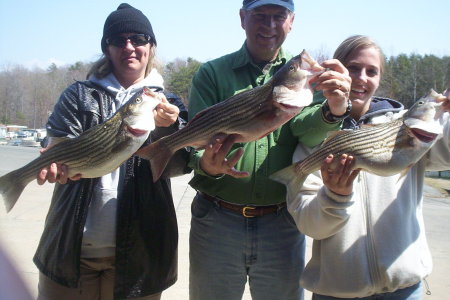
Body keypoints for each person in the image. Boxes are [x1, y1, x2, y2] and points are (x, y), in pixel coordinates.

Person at [187, 1, 351, 299]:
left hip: (281, 223)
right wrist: (208, 164)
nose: (270, 25)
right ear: (242, 18)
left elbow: (306, 128)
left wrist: (334, 110)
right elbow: (194, 147)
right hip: (216, 221)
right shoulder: (212, 73)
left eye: (279, 16)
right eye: (260, 16)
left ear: (292, 21)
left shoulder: (304, 76)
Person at [33, 3, 187, 300]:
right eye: (118, 40)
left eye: (139, 38)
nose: (129, 47)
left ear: (151, 46)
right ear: (107, 48)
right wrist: (51, 163)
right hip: (70, 250)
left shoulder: (169, 102)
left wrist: (167, 129)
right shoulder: (79, 95)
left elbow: (180, 165)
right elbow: (56, 143)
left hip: (140, 256)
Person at [288, 35, 450, 299]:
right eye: (353, 68)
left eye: (372, 71)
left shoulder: (413, 127)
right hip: (337, 293)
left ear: (379, 78)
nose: (362, 78)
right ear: (336, 71)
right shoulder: (313, 134)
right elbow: (310, 225)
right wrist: (334, 197)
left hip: (405, 290)